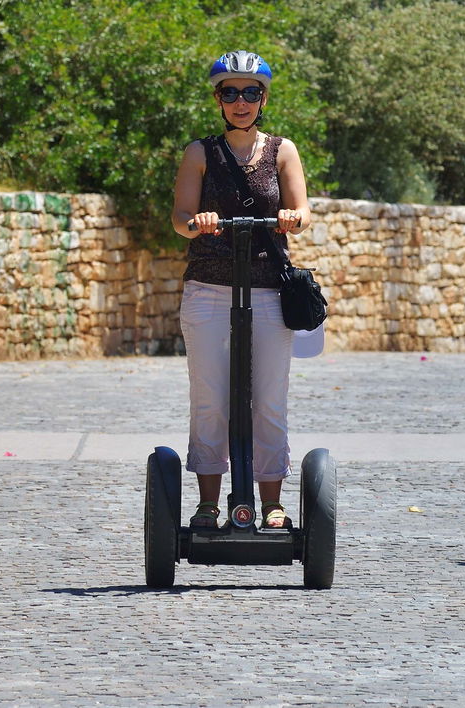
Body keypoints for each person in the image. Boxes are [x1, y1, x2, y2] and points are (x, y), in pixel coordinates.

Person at [170, 50, 311, 530]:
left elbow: (302, 210)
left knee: (269, 400)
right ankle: (209, 503)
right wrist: (197, 223)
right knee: (210, 399)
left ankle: (272, 503)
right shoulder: (199, 153)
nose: (241, 101)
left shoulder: (282, 151)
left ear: (263, 98)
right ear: (218, 99)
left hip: (269, 290)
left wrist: (293, 217)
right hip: (209, 290)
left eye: (251, 92)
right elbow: (180, 217)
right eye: (230, 92)